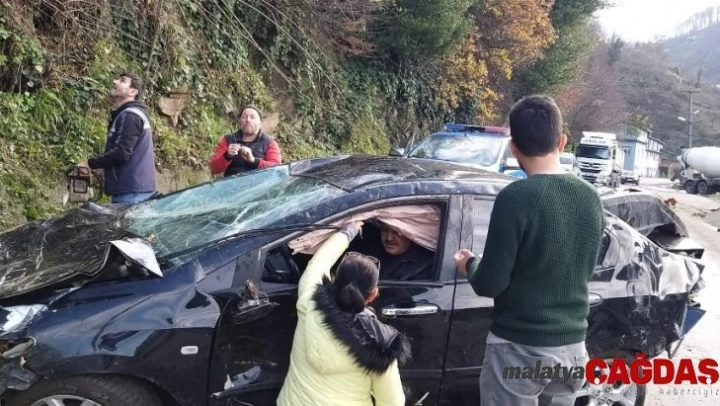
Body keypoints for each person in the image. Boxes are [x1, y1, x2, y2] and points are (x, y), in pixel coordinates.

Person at [453, 95, 605, 406]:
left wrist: (469, 264)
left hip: (519, 349)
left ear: (514, 148)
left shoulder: (516, 198)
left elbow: (490, 284)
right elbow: (583, 268)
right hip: (573, 350)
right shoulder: (591, 197)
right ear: (562, 142)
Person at [277, 222, 409, 406]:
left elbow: (318, 264)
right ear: (373, 295)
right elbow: (392, 403)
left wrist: (347, 232)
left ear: (334, 280)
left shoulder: (309, 301)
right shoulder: (380, 347)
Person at [77, 72, 156, 205]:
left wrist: (89, 164)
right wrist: (104, 169)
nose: (115, 82)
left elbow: (121, 152)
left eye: (122, 80)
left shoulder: (130, 115)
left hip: (131, 193)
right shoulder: (130, 114)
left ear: (133, 92)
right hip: (134, 190)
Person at [209, 105, 282, 177]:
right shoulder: (228, 140)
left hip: (260, 183)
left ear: (260, 124)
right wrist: (227, 156)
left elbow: (276, 168)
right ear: (239, 121)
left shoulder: (269, 143)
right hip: (232, 183)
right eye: (244, 117)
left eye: (252, 117)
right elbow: (214, 168)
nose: (248, 120)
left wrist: (254, 161)